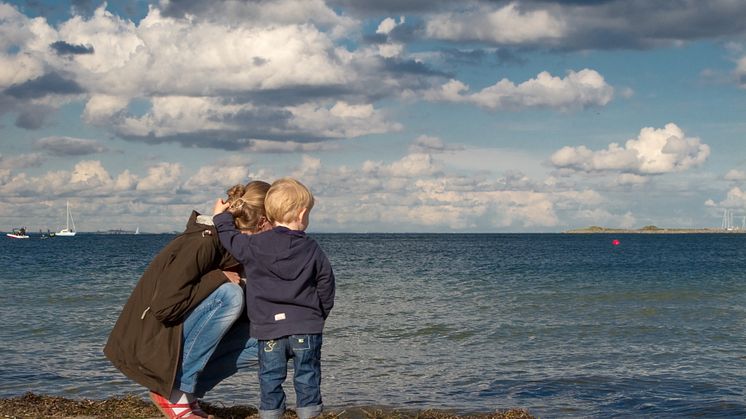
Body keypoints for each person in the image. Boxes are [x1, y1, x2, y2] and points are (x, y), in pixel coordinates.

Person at [105, 181, 271, 419]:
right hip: (154, 341)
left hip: (177, 337)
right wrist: (219, 278)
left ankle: (187, 394)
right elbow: (165, 307)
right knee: (230, 296)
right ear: (264, 221)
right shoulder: (203, 240)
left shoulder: (241, 249)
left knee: (269, 341)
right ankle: (173, 393)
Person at [212, 177, 335, 419]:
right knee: (307, 376)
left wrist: (221, 217)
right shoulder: (311, 247)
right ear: (301, 215)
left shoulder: (254, 244)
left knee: (270, 378)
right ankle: (309, 414)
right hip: (306, 327)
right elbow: (326, 283)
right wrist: (319, 314)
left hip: (269, 329)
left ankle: (270, 414)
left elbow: (230, 239)